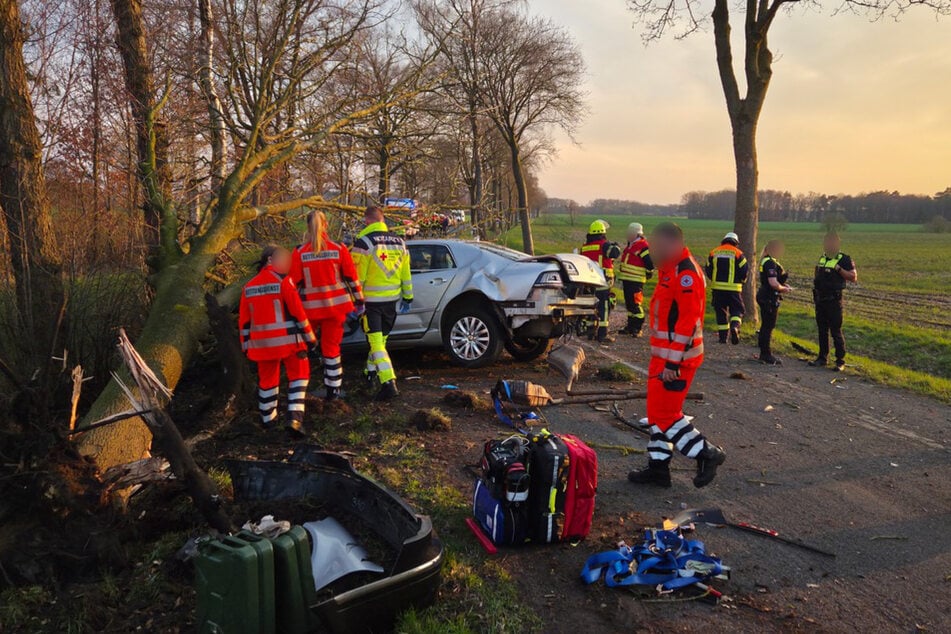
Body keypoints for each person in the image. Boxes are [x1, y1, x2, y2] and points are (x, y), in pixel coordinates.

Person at [628, 222, 726, 489]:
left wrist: (673, 363)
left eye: (657, 247)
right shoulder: (670, 269)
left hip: (677, 360)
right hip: (664, 357)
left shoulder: (686, 274)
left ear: (673, 244)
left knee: (666, 414)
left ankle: (707, 453)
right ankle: (658, 469)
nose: (653, 252)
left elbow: (687, 322)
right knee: (655, 413)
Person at [239, 245, 318, 435]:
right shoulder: (284, 282)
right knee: (300, 375)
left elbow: (244, 322)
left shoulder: (248, 287)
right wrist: (311, 338)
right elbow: (298, 313)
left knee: (267, 381)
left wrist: (246, 347)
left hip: (262, 345)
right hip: (290, 342)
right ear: (270, 260)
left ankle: (268, 421)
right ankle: (294, 419)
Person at [290, 211, 365, 401]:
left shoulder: (299, 252)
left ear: (308, 227)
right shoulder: (339, 248)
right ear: (326, 226)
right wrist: (360, 301)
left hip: (309, 310)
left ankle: (300, 390)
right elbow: (351, 278)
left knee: (304, 348)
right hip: (336, 308)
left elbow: (294, 283)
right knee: (332, 349)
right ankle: (333, 391)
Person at [351, 206, 413, 400]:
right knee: (380, 342)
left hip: (371, 303)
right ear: (382, 220)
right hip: (392, 301)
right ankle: (370, 373)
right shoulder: (400, 242)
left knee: (376, 342)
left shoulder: (363, 243)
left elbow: (357, 279)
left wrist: (356, 302)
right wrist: (408, 296)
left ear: (367, 221)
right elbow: (406, 274)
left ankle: (388, 382)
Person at [809, 232, 857, 372]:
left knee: (836, 330)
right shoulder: (822, 258)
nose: (827, 245)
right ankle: (822, 358)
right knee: (822, 330)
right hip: (820, 299)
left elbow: (853, 277)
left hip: (834, 300)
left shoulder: (844, 259)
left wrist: (839, 269)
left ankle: (840, 361)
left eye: (830, 242)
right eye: (826, 242)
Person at [580, 219, 622, 343]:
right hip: (602, 281)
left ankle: (590, 331)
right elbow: (614, 253)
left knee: (590, 305)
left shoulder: (585, 247)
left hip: (588, 282)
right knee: (603, 306)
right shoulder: (604, 245)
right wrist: (616, 246)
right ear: (602, 233)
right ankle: (602, 334)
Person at [704, 232, 749, 345]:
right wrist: (742, 281)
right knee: (738, 310)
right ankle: (735, 327)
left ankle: (723, 338)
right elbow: (744, 271)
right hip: (734, 289)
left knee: (721, 312)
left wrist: (713, 279)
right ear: (736, 243)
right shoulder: (739, 253)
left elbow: (708, 269)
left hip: (717, 288)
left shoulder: (714, 252)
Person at [755, 240, 792, 365]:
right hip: (769, 297)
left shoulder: (767, 260)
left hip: (765, 295)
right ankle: (766, 354)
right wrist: (784, 289)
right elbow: (773, 283)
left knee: (765, 325)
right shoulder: (770, 263)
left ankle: (763, 351)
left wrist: (782, 285)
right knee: (768, 326)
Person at [616, 222, 654, 337]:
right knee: (629, 305)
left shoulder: (643, 246)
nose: (628, 235)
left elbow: (650, 263)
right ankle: (630, 327)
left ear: (637, 234)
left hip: (636, 280)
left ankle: (637, 328)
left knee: (635, 304)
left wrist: (648, 273)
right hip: (627, 279)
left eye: (631, 233)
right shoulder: (631, 245)